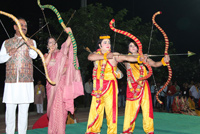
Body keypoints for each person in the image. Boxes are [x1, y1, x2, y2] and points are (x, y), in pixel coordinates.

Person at [86, 35, 142, 134]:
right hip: (98, 87)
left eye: (109, 42)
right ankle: (93, 131)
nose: (108, 44)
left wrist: (139, 57)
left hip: (110, 87)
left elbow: (126, 57)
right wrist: (105, 56)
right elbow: (90, 57)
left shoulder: (114, 55)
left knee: (111, 112)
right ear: (100, 45)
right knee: (95, 110)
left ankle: (111, 132)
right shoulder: (96, 54)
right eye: (105, 42)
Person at [121, 41, 170, 134]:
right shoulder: (126, 58)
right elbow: (129, 59)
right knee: (130, 109)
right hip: (132, 87)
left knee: (147, 108)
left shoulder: (144, 57)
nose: (133, 47)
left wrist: (164, 61)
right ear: (128, 49)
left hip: (144, 86)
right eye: (130, 46)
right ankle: (127, 130)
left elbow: (155, 64)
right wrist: (140, 58)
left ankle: (149, 130)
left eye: (135, 45)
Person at [0, 17, 38, 134]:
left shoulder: (32, 41)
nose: (24, 27)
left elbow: (35, 56)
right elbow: (1, 59)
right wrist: (8, 54)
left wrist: (30, 46)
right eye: (21, 24)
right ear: (15, 27)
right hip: (11, 82)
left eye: (25, 25)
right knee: (10, 111)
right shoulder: (6, 42)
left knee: (23, 112)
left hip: (25, 82)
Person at [45, 27, 84, 134]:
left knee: (61, 111)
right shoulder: (45, 55)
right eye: (50, 43)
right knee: (52, 111)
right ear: (47, 46)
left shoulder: (62, 54)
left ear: (57, 44)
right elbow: (45, 64)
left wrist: (70, 32)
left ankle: (61, 131)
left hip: (61, 85)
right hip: (51, 86)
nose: (52, 44)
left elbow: (67, 44)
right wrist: (50, 53)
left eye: (54, 42)